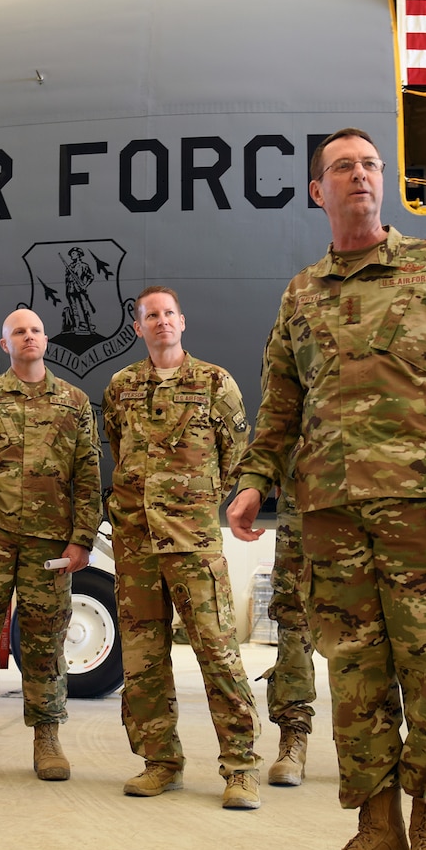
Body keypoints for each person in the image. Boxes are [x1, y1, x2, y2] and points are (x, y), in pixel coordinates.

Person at [227, 127, 426, 850]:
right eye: (341, 167)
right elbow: (281, 405)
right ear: (316, 192)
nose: (359, 175)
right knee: (355, 685)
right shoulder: (301, 292)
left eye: (369, 164)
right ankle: (377, 835)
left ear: (383, 183)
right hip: (332, 523)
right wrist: (254, 480)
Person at [102, 286, 263, 809]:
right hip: (134, 546)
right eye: (151, 316)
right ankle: (160, 761)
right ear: (138, 327)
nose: (161, 322)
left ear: (182, 321)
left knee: (217, 652)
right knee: (144, 659)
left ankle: (240, 767)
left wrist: (202, 506)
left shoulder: (216, 383)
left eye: (168, 314)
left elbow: (236, 457)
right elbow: (117, 450)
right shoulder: (121, 386)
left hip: (192, 542)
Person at [0, 308, 100, 784]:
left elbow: (89, 477)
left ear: (46, 340)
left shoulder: (73, 402)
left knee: (46, 641)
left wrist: (82, 539)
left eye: (34, 330)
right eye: (18, 332)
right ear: (4, 343)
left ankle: (47, 737)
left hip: (49, 546)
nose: (27, 337)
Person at [261, 473, 316, 787]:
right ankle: (293, 738)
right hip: (302, 492)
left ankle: (374, 748)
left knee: (369, 621)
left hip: (377, 490)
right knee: (292, 612)